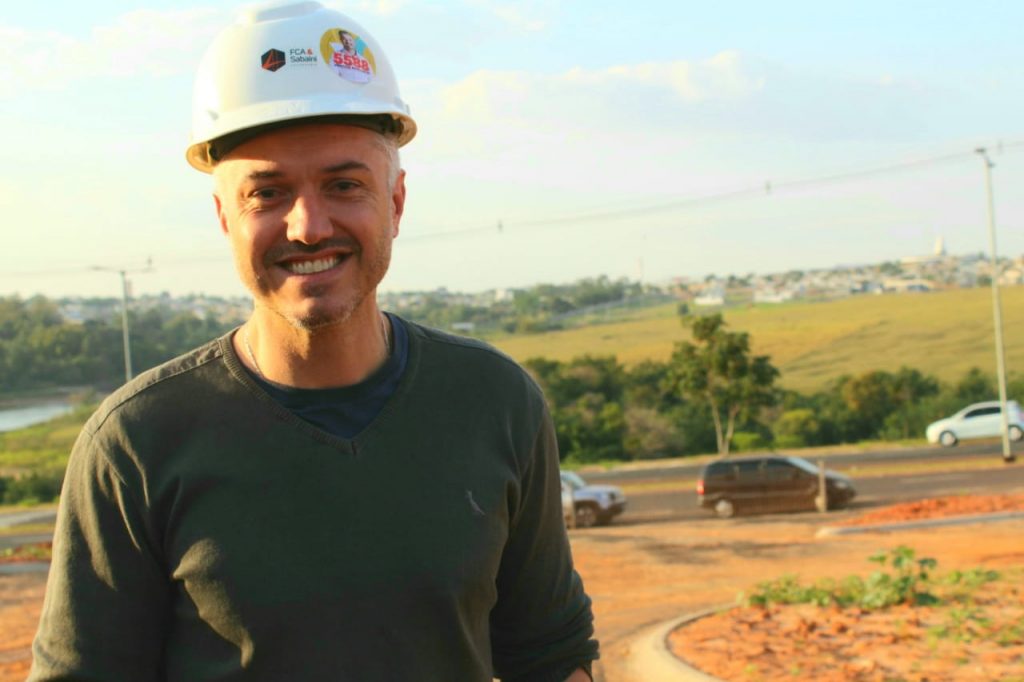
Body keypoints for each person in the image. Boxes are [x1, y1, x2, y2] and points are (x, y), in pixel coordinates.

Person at [29, 3, 599, 681]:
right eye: (267, 193)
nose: (307, 227)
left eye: (344, 185)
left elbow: (551, 654)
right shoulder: (137, 443)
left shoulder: (494, 401)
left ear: (396, 202)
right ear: (225, 217)